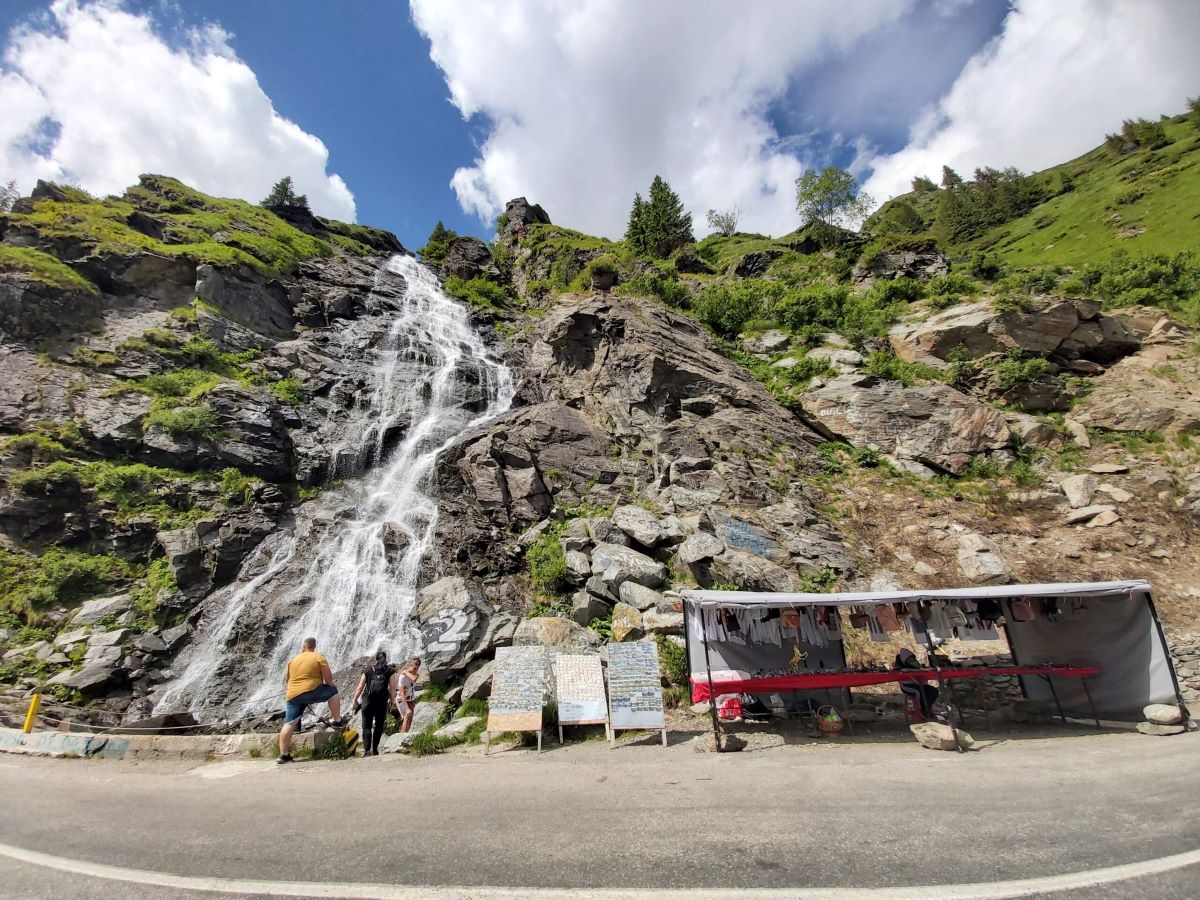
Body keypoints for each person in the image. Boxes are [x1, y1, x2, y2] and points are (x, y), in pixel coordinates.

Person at [277, 636, 344, 764]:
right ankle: (337, 720)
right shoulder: (318, 657)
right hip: (312, 691)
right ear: (314, 646)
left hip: (293, 695)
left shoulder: (293, 659)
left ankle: (283, 755)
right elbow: (328, 678)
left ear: (304, 646)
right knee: (333, 693)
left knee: (289, 724)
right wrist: (329, 685)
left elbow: (287, 679)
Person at [351, 649, 397, 757]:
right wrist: (393, 701)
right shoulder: (389, 670)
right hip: (381, 701)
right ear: (386, 659)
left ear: (376, 659)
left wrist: (355, 700)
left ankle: (367, 751)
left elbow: (360, 687)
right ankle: (375, 750)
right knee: (379, 726)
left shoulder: (367, 670)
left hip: (367, 700)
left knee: (366, 726)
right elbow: (393, 687)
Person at [895, 647, 939, 721]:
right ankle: (920, 709)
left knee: (933, 691)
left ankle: (926, 708)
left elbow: (923, 676)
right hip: (907, 685)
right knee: (918, 692)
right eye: (909, 660)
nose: (912, 661)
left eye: (912, 659)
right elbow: (899, 677)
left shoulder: (916, 665)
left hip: (919, 684)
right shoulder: (900, 667)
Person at [397, 657, 421, 733]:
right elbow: (401, 693)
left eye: (417, 669)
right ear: (409, 666)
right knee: (406, 717)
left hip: (411, 699)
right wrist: (407, 708)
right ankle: (402, 737)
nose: (415, 670)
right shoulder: (402, 677)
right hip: (402, 699)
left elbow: (414, 678)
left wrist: (406, 673)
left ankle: (405, 734)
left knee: (410, 719)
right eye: (414, 668)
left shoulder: (417, 671)